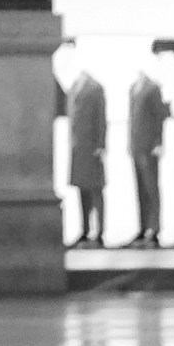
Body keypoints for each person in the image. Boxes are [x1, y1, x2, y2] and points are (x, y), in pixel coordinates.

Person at [63, 66, 109, 250]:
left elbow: (101, 118)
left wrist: (101, 144)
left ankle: (100, 232)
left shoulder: (95, 88)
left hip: (91, 147)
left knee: (96, 189)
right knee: (81, 189)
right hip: (78, 147)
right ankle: (84, 229)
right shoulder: (75, 85)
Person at [126, 61, 170, 253]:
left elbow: (160, 116)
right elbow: (132, 117)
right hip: (137, 145)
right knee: (140, 189)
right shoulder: (134, 87)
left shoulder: (153, 88)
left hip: (149, 146)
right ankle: (143, 227)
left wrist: (159, 142)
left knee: (151, 187)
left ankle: (155, 228)